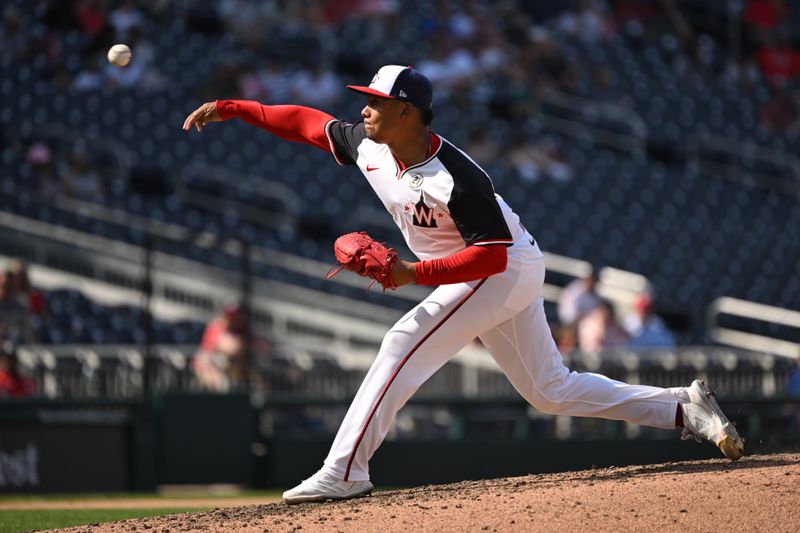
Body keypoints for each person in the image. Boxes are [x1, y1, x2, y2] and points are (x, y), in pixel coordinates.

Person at [182, 64, 744, 504]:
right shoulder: (371, 145)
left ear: (407, 113)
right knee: (549, 391)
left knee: (402, 342)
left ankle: (345, 470)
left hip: (500, 267)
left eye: (375, 102)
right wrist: (235, 108)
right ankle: (683, 408)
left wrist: (410, 274)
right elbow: (305, 123)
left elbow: (490, 258)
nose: (364, 109)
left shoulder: (459, 177)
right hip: (485, 268)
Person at [191, 303, 270, 393]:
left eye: (237, 317)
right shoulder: (217, 326)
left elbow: (263, 347)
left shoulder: (243, 330)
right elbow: (225, 347)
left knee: (260, 382)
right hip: (210, 366)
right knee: (220, 382)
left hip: (238, 370)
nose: (234, 319)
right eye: (231, 317)